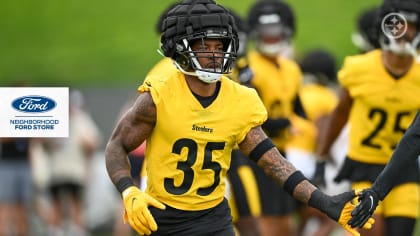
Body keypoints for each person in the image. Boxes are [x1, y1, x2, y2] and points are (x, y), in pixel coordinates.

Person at [104, 0, 374, 235]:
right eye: (203, 46)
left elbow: (275, 164)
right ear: (180, 48)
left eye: (219, 45)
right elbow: (117, 145)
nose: (214, 54)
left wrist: (325, 202)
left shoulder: (241, 100)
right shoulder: (159, 95)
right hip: (165, 217)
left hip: (214, 217)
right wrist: (129, 190)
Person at [316, 0, 420, 235]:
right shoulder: (359, 68)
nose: (405, 32)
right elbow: (340, 114)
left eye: (412, 26)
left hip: (404, 169)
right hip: (364, 166)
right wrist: (322, 156)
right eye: (398, 25)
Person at [240, 1, 310, 235]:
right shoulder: (246, 67)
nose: (271, 37)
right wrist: (289, 124)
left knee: (285, 221)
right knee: (266, 222)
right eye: (265, 32)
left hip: (282, 152)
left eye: (275, 31)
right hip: (254, 154)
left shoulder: (292, 68)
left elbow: (299, 110)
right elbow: (255, 117)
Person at [43, 89, 102, 236]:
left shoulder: (81, 119)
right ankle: (55, 231)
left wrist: (87, 144)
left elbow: (93, 142)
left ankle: (77, 231)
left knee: (76, 202)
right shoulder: (54, 120)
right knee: (57, 203)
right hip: (57, 169)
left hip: (76, 170)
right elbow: (44, 144)